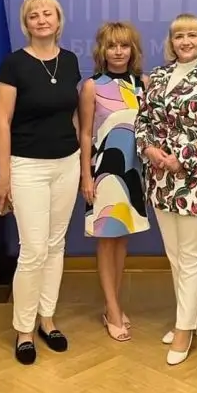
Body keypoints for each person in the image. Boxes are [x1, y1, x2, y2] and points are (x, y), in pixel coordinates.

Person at [0, 0, 81, 366]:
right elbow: (2, 122)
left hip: (67, 164)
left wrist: (81, 161)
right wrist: (4, 176)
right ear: (26, 24)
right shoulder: (13, 65)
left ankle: (47, 320)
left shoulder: (70, 61)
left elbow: (73, 116)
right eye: (33, 16)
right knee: (34, 250)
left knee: (56, 246)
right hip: (27, 167)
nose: (41, 20)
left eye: (47, 13)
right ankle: (24, 330)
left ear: (58, 19)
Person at [135, 13, 197, 366]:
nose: (185, 41)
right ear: (170, 42)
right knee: (175, 256)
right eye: (179, 36)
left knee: (192, 256)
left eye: (192, 35)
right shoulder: (158, 76)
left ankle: (184, 329)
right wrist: (148, 149)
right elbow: (142, 121)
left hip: (194, 182)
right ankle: (191, 318)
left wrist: (182, 158)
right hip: (160, 180)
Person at [78, 22, 149, 342]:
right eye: (112, 46)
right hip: (104, 173)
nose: (118, 52)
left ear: (133, 50)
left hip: (134, 172)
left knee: (122, 240)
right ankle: (113, 309)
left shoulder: (143, 84)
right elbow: (84, 134)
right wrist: (86, 176)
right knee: (107, 240)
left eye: (124, 45)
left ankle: (113, 304)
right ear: (102, 50)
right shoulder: (92, 86)